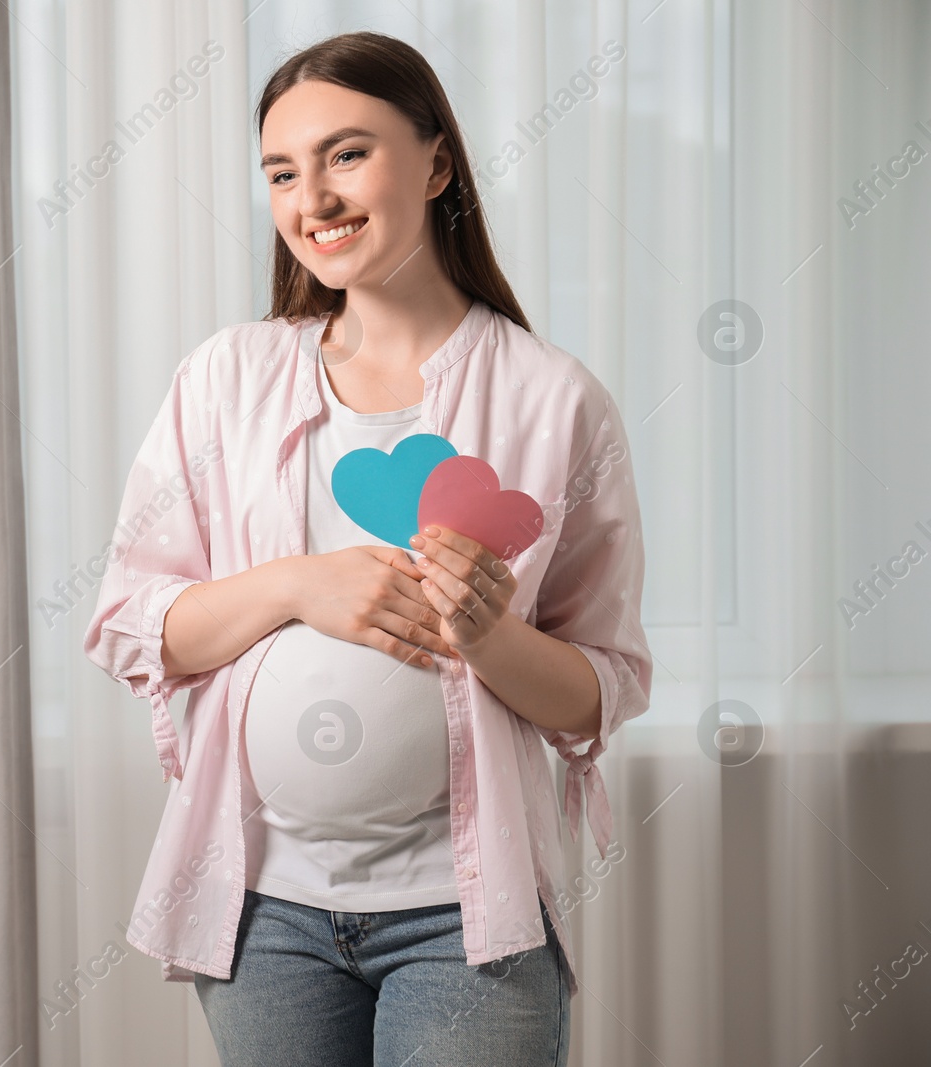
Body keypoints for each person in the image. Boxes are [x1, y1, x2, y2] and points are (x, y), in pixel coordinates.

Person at [82, 30, 651, 1067]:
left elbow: (599, 688)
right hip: (264, 916)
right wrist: (298, 585)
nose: (314, 198)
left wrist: (488, 633)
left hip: (463, 923)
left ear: (437, 164)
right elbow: (129, 621)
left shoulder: (552, 399)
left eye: (347, 154)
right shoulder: (224, 377)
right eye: (281, 172)